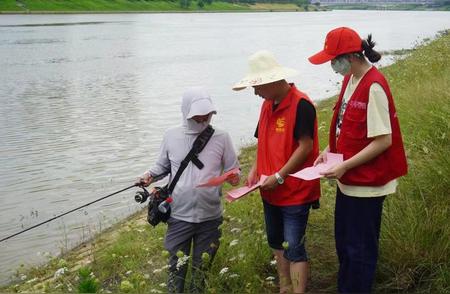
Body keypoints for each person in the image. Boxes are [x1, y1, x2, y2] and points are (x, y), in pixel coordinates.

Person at [308, 27, 408, 293]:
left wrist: (343, 165)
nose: (331, 66)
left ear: (350, 56)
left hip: (367, 185)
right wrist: (329, 151)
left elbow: (383, 140)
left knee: (359, 250)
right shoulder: (350, 80)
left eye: (333, 60)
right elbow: (347, 126)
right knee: (345, 246)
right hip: (349, 182)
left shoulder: (374, 86)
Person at [232, 50, 321, 294]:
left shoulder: (302, 104)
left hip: (295, 191)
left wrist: (280, 176)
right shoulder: (267, 105)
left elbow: (306, 147)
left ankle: (298, 290)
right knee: (276, 242)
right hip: (268, 190)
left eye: (257, 86)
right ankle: (284, 286)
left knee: (294, 246)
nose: (255, 92)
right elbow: (263, 143)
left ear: (272, 82)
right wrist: (254, 171)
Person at [137, 87, 240, 293]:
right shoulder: (171, 136)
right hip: (178, 217)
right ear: (186, 113)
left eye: (207, 116)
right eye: (198, 117)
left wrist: (233, 177)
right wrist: (148, 176)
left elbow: (233, 170)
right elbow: (162, 167)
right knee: (176, 268)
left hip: (210, 218)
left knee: (201, 270)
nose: (203, 121)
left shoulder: (222, 137)